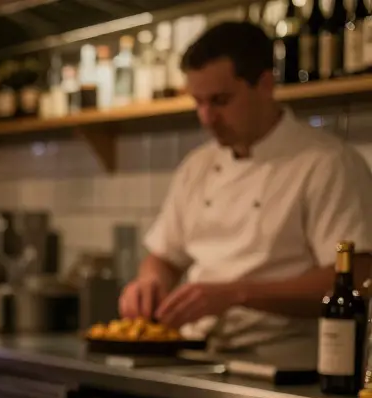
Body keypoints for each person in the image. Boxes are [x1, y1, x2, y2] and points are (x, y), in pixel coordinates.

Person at [118, 22, 372, 350]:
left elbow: (359, 278)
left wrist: (237, 294)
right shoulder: (198, 165)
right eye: (199, 102)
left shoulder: (328, 163)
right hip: (197, 352)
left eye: (220, 100)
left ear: (265, 84)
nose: (207, 117)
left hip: (287, 360)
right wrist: (149, 283)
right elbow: (164, 257)